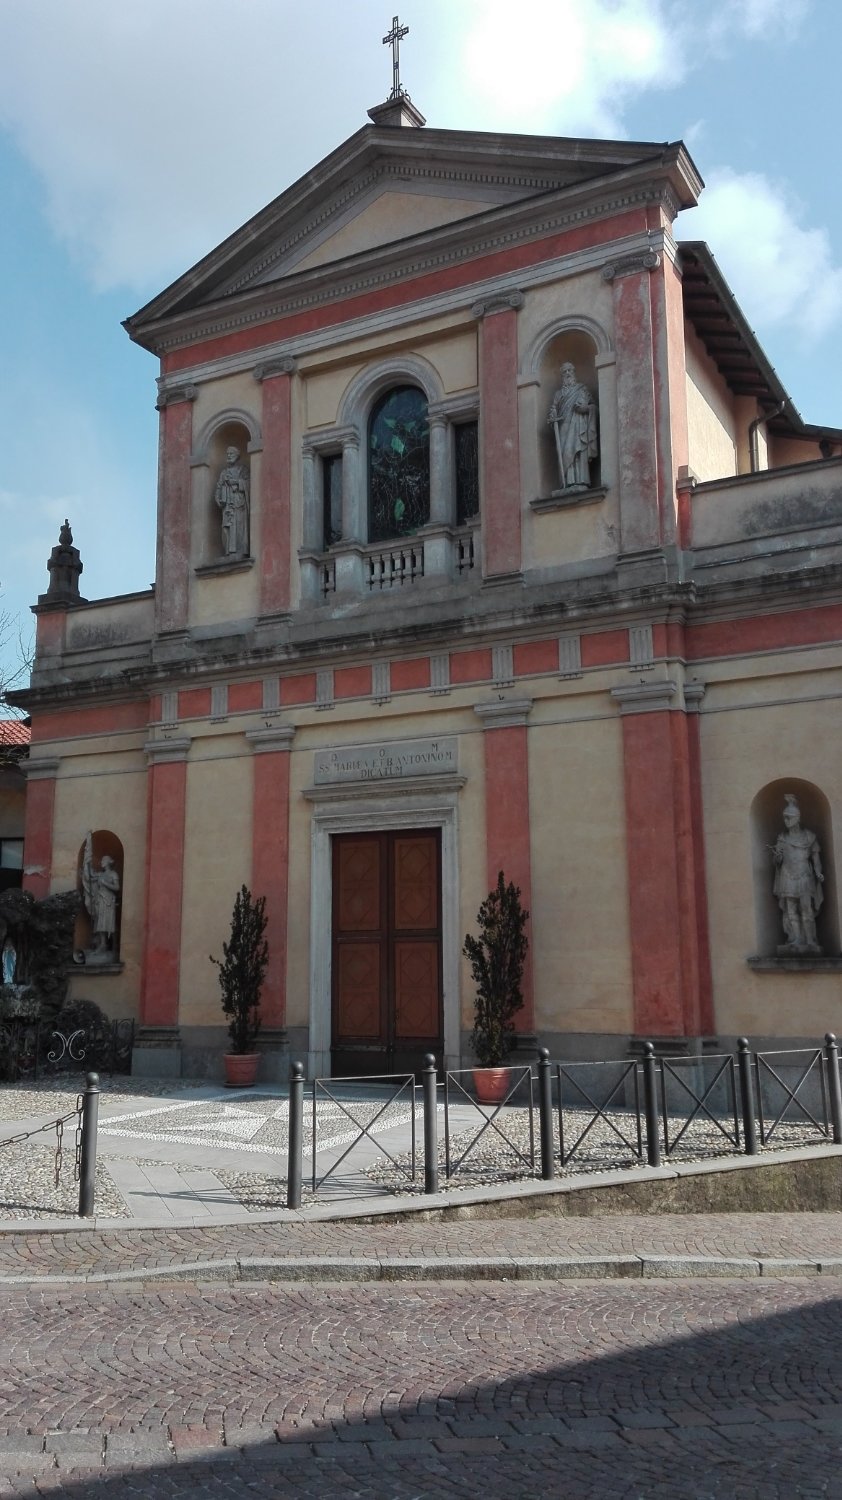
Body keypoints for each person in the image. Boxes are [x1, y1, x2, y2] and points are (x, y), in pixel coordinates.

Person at [772, 794, 823, 952]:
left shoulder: (809, 837)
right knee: (791, 909)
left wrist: (818, 872)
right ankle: (796, 938)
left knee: (806, 908)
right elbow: (777, 862)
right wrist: (778, 856)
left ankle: (810, 940)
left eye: (789, 817)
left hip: (804, 875)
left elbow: (816, 858)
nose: (786, 821)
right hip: (787, 875)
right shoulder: (782, 837)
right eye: (784, 818)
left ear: (797, 818)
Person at [548, 362, 598, 492]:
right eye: (565, 372)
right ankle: (567, 482)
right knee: (566, 452)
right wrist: (553, 414)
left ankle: (581, 481)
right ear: (562, 375)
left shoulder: (582, 389)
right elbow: (553, 408)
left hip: (579, 425)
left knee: (579, 451)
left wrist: (585, 409)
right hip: (564, 427)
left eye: (570, 370)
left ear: (574, 372)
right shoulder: (558, 394)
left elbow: (593, 407)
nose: (568, 373)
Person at [214, 447, 250, 557]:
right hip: (227, 506)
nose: (229, 455)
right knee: (227, 528)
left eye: (231, 453)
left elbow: (249, 483)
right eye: (227, 453)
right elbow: (218, 487)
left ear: (237, 455)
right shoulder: (224, 473)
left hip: (239, 504)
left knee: (239, 528)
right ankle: (228, 552)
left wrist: (237, 483)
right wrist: (218, 498)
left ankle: (240, 551)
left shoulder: (243, 470)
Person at [83, 851, 120, 955]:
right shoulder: (100, 874)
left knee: (109, 922)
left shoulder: (113, 874)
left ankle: (114, 945)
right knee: (100, 922)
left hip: (108, 900)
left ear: (108, 862)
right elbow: (90, 877)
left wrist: (105, 883)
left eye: (103, 860)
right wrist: (87, 863)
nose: (101, 862)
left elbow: (117, 887)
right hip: (100, 900)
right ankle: (103, 944)